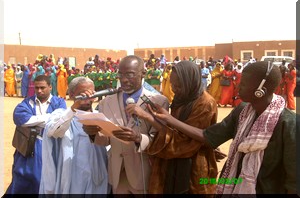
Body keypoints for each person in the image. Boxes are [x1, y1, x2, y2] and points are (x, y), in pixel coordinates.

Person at [145, 61, 296, 194]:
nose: (237, 88)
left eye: (243, 84)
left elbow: (294, 181)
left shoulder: (289, 124)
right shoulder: (242, 112)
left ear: (260, 90)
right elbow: (209, 136)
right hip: (234, 185)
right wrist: (168, 119)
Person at [124, 60, 219, 194]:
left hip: (194, 166)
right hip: (171, 163)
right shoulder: (182, 98)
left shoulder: (205, 103)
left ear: (190, 82)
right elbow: (171, 133)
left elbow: (185, 141)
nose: (174, 89)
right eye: (172, 83)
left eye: (178, 85)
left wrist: (157, 118)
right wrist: (152, 117)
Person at [83, 55, 169, 195]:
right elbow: (106, 139)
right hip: (117, 173)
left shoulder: (158, 101)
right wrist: (92, 133)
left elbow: (162, 139)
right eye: (120, 74)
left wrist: (138, 138)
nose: (123, 79)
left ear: (143, 74)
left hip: (143, 173)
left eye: (129, 74)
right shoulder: (106, 102)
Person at [39, 76, 109, 194]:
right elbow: (54, 131)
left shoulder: (100, 116)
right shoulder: (62, 114)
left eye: (91, 94)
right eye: (83, 94)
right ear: (71, 95)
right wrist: (74, 108)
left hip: (98, 177)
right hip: (72, 178)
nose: (88, 98)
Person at [5, 75, 67, 194]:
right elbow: (21, 119)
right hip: (30, 148)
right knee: (23, 179)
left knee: (50, 182)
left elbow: (61, 121)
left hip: (53, 147)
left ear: (50, 87)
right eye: (37, 88)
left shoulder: (59, 102)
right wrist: (50, 119)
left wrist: (35, 120)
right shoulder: (27, 102)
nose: (39, 90)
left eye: (42, 87)